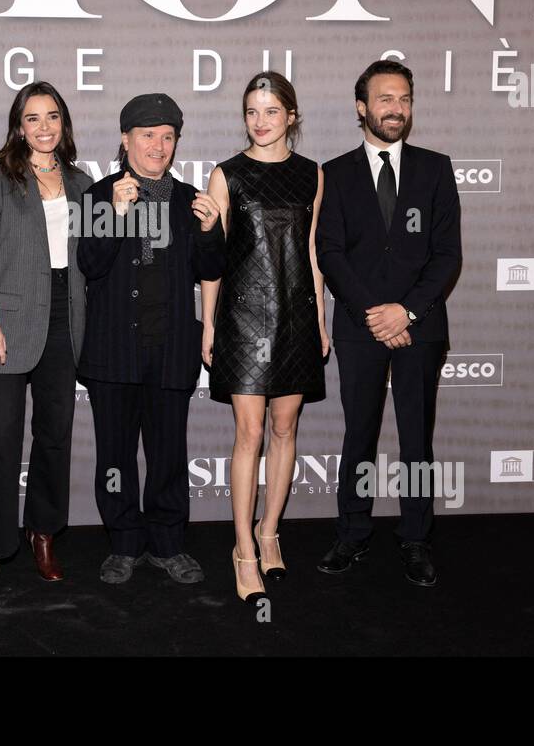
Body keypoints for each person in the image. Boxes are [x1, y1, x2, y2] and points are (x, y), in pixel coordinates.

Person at [314, 59, 462, 587]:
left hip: (420, 325)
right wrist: (375, 314)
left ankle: (417, 537)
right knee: (360, 434)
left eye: (403, 99)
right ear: (363, 107)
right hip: (360, 326)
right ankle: (352, 532)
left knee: (417, 438)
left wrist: (407, 311)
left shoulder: (435, 169)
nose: (395, 108)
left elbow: (446, 255)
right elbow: (330, 253)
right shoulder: (333, 174)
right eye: (384, 99)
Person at [77, 93, 225, 587]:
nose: (158, 146)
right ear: (125, 140)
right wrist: (118, 216)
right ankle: (123, 543)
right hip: (112, 352)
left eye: (167, 136)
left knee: (168, 454)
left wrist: (209, 230)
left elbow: (209, 270)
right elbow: (90, 265)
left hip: (171, 349)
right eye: (147, 136)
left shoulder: (188, 201)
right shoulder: (97, 196)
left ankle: (167, 543)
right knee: (115, 456)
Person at [0, 81, 93, 609]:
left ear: (64, 123)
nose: (43, 128)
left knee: (55, 435)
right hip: (7, 318)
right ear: (19, 126)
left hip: (67, 317)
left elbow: (98, 258)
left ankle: (43, 534)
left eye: (52, 117)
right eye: (33, 118)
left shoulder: (84, 185)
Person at [202, 71, 328, 605]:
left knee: (284, 428)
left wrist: (322, 319)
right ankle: (242, 551)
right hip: (243, 317)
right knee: (249, 433)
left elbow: (314, 253)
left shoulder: (312, 175)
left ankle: (270, 531)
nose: (260, 121)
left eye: (271, 111)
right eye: (252, 111)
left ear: (291, 117)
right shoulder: (225, 175)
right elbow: (212, 261)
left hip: (298, 316)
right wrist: (208, 322)